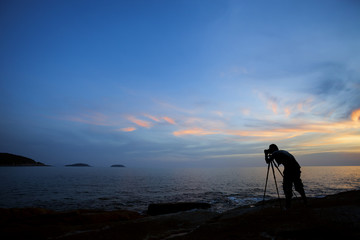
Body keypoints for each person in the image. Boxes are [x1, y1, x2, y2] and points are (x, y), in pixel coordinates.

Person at [264, 144, 307, 209]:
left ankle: (288, 206)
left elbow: (268, 161)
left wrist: (266, 154)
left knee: (287, 188)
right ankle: (305, 202)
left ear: (272, 150)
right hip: (296, 169)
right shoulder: (282, 151)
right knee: (298, 186)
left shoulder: (275, 153)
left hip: (289, 170)